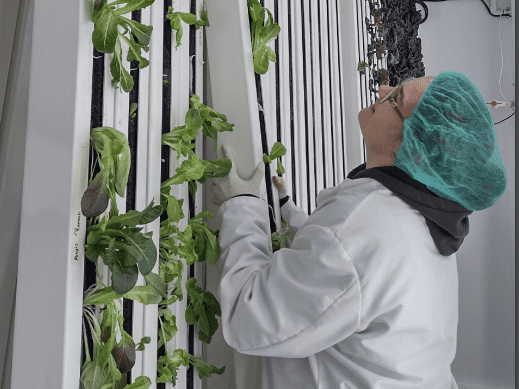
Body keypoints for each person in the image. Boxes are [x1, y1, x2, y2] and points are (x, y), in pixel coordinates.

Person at [211, 70, 507, 389]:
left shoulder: (367, 225)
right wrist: (290, 214)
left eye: (396, 98)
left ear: (413, 147)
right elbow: (344, 274)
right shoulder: (425, 228)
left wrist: (242, 204)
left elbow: (248, 316)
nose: (382, 88)